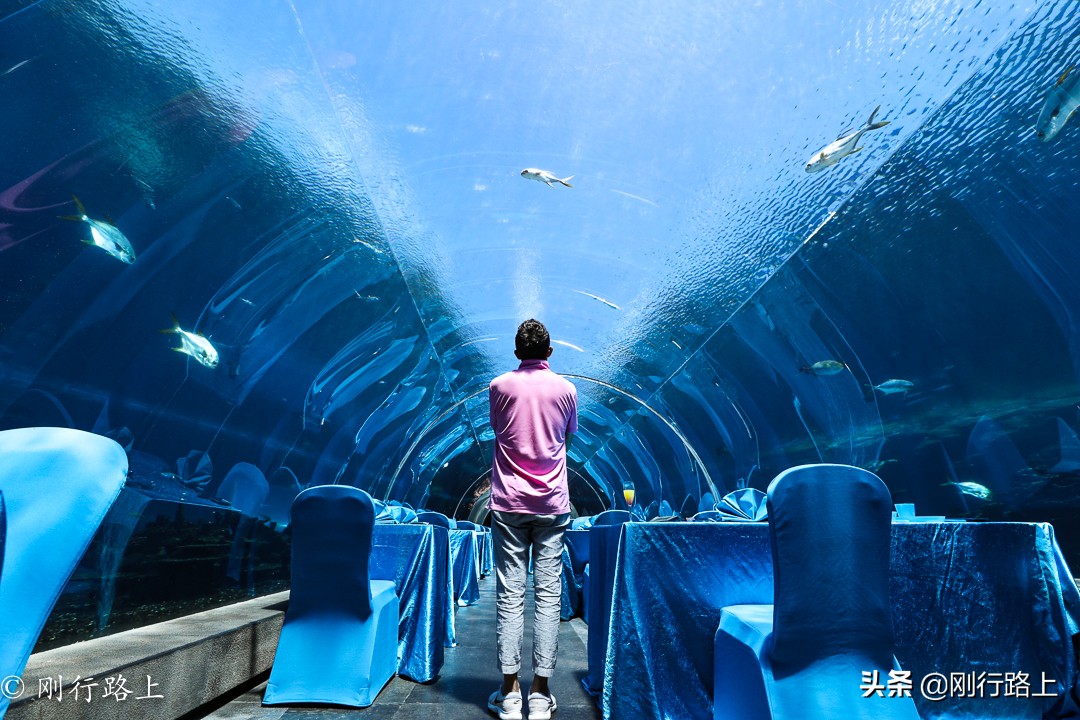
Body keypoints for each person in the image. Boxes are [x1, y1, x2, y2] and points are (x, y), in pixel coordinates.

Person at [486, 319, 577, 720]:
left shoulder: (498, 386)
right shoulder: (567, 389)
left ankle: (509, 694)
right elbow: (566, 438)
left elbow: (500, 431)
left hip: (507, 503)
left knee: (509, 595)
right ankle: (540, 695)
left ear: (516, 351)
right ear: (550, 352)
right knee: (547, 595)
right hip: (552, 504)